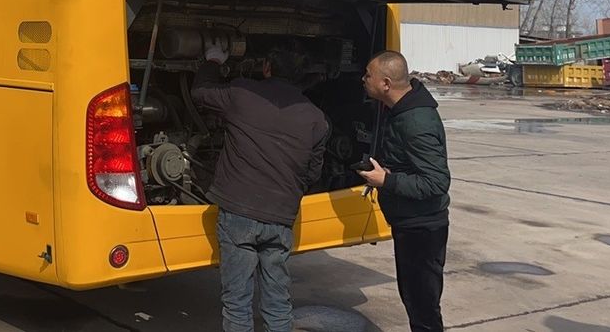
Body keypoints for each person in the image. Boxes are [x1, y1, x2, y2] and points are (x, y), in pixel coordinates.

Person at [192, 41, 329, 332]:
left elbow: (201, 92)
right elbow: (312, 172)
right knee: (278, 301)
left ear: (266, 68)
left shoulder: (243, 94)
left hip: (239, 212)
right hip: (280, 217)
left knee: (237, 302)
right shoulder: (317, 119)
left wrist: (213, 61)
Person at [359, 50, 450, 332]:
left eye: (368, 75)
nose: (363, 79)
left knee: (423, 306)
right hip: (409, 222)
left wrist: (386, 181)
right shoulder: (399, 111)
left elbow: (436, 182)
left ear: (386, 83)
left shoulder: (415, 121)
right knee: (414, 299)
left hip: (422, 228)